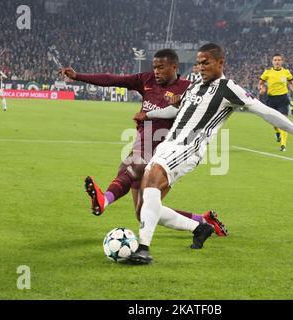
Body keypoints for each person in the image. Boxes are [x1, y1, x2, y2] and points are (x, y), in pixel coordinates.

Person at [125, 43, 293, 265]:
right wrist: (150, 114)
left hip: (188, 148)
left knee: (153, 181)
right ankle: (200, 227)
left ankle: (143, 250)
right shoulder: (193, 87)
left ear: (220, 62)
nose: (200, 67)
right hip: (167, 145)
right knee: (144, 207)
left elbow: (266, 111)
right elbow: (177, 110)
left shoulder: (228, 88)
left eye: (206, 62)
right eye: (198, 63)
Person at [60, 49, 228, 237]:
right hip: (144, 137)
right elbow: (114, 79)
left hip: (167, 146)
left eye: (161, 67)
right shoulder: (146, 80)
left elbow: (205, 107)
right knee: (143, 213)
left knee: (132, 164)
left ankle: (104, 200)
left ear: (174, 67)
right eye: (154, 67)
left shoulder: (189, 88)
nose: (156, 71)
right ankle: (204, 220)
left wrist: (182, 107)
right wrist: (78, 76)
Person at [259, 54, 293, 152]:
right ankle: (277, 132)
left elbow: (291, 82)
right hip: (271, 99)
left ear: (282, 62)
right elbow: (260, 83)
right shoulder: (267, 72)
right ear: (272, 61)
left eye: (279, 60)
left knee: (284, 121)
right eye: (275, 60)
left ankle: (283, 145)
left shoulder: (286, 72)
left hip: (283, 99)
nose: (277, 62)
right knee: (273, 121)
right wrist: (261, 88)